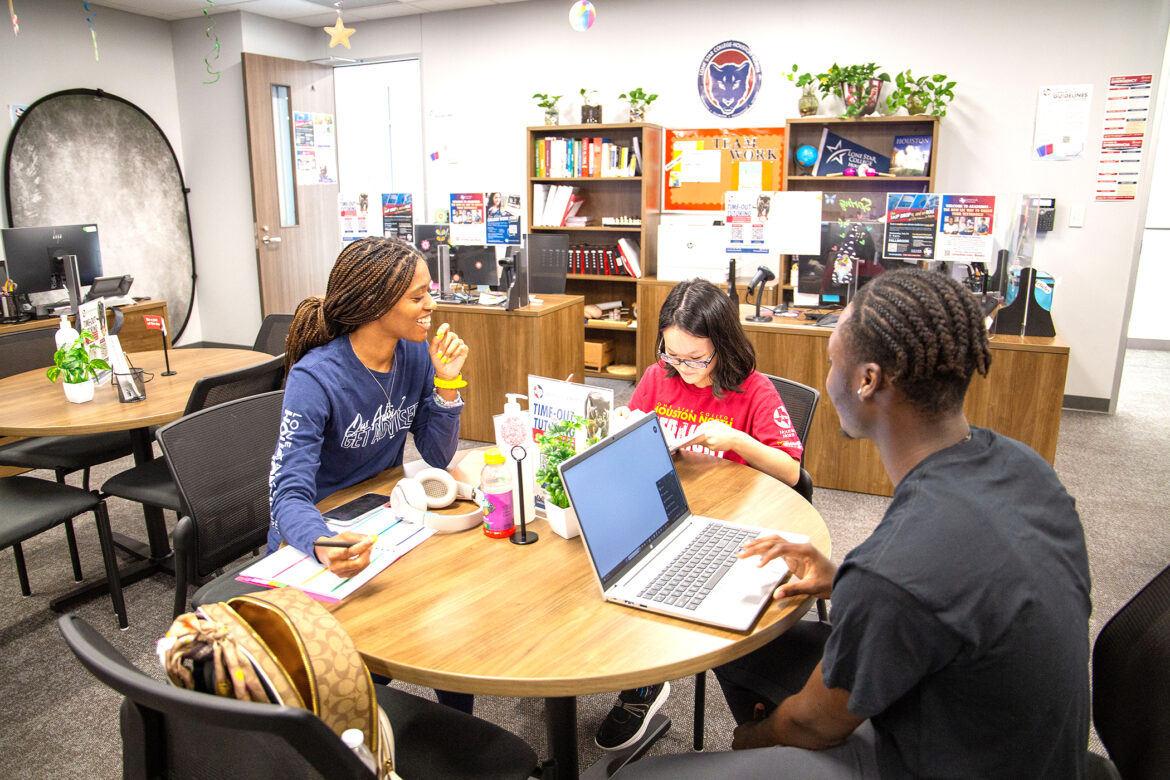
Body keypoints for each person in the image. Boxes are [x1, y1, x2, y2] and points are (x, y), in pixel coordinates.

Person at [621, 268, 1091, 778]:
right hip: (1018, 742)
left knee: (634, 776)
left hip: (926, 759)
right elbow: (954, 600)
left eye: (830, 360)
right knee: (740, 652)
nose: (825, 377)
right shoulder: (1027, 470)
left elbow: (810, 725)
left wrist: (750, 742)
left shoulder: (897, 566)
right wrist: (843, 579)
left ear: (867, 381)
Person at [593, 278, 805, 752]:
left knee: (681, 584)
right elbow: (631, 441)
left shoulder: (753, 391)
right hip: (666, 512)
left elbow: (792, 472)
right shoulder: (657, 377)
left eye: (696, 358)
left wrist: (737, 441)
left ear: (723, 346)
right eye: (673, 355)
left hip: (730, 526)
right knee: (618, 567)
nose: (683, 369)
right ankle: (644, 674)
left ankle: (649, 681)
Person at [267, 236, 473, 712]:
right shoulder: (314, 378)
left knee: (449, 611)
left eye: (429, 291)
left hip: (382, 517)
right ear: (374, 304)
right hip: (317, 534)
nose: (431, 304)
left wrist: (446, 383)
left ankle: (456, 734)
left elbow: (437, 457)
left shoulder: (415, 354)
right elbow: (288, 494)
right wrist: (321, 543)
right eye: (417, 297)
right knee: (349, 678)